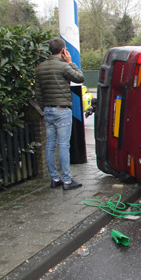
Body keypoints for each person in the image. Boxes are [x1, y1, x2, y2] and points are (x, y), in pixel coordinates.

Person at [35, 38, 85, 190]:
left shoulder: (40, 68)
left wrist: (45, 107)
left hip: (48, 110)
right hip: (62, 110)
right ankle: (67, 181)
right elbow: (79, 77)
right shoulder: (63, 66)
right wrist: (70, 62)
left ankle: (54, 179)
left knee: (50, 145)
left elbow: (38, 93)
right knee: (63, 145)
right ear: (63, 50)